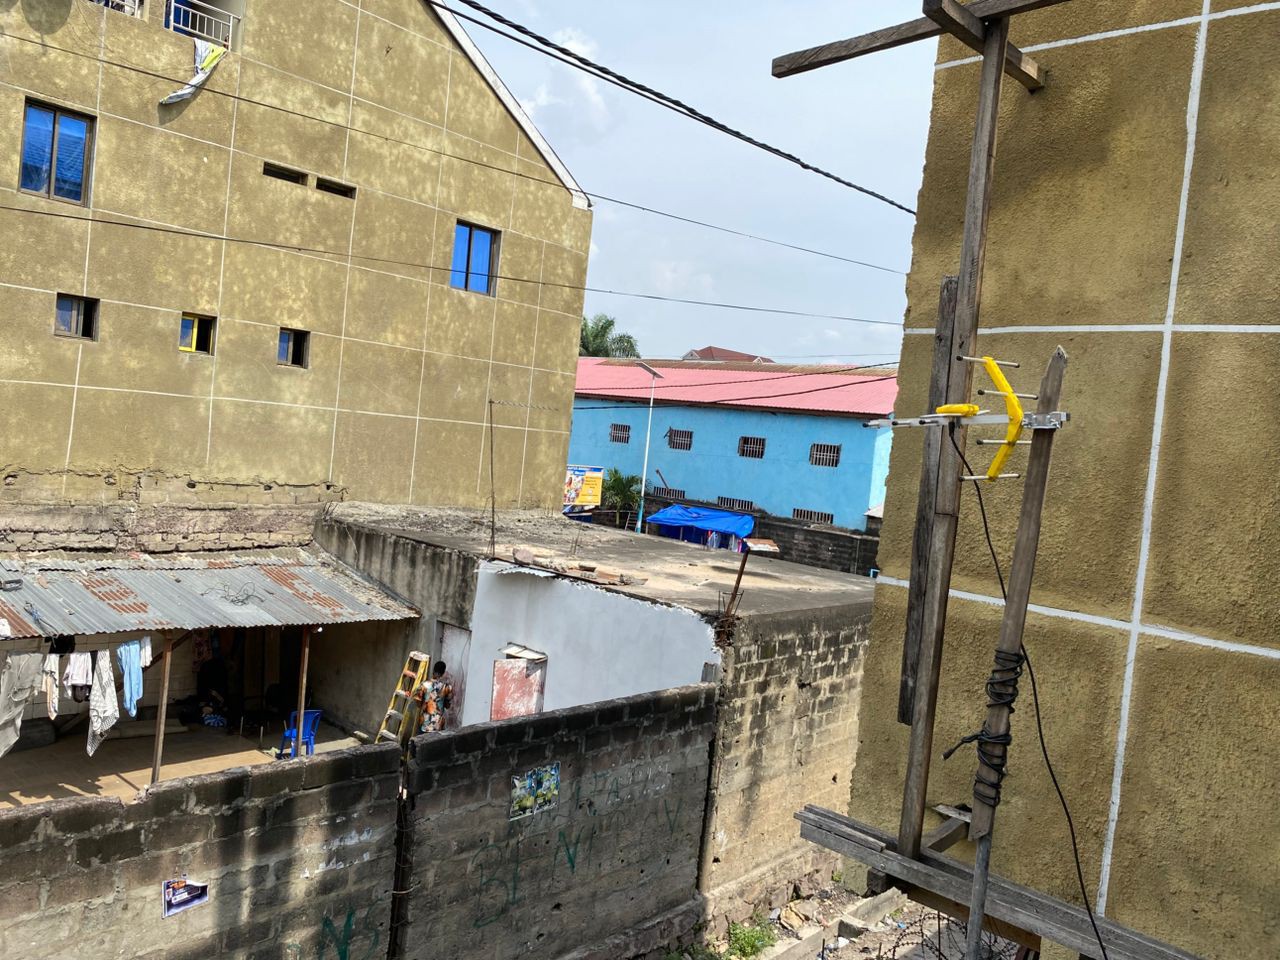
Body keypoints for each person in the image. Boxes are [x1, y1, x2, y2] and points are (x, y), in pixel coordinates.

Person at [417, 661, 454, 733]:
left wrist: (424, 705)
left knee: (421, 739)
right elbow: (448, 706)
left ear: (433, 670)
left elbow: (418, 701)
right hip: (438, 726)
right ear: (443, 673)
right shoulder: (447, 687)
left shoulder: (424, 685)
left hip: (424, 725)